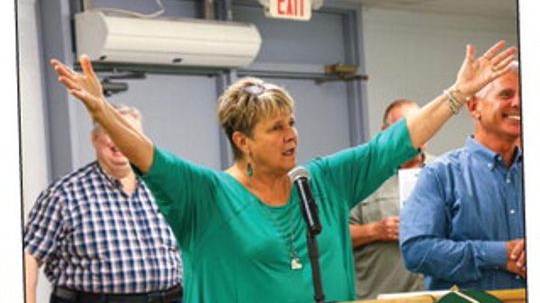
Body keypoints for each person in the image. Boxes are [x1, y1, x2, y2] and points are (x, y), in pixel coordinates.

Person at [50, 41, 515, 302]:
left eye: (291, 123)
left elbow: (395, 142)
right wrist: (102, 110)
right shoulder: (206, 196)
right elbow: (149, 156)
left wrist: (456, 95)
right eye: (275, 128)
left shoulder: (323, 182)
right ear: (243, 141)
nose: (290, 134)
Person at [24, 104, 183, 303]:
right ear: (95, 139)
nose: (121, 140)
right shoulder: (63, 194)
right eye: (112, 131)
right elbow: (28, 257)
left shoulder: (166, 189)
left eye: (129, 133)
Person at [400, 61, 525, 291]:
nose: (519, 103)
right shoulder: (440, 175)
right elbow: (417, 252)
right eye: (506, 94)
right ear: (474, 106)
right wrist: (499, 254)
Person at [349, 99, 427, 299]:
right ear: (384, 131)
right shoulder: (362, 177)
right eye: (403, 129)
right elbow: (333, 236)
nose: (411, 134)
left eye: (419, 125)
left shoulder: (445, 172)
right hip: (379, 296)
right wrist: (375, 230)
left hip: (435, 295)